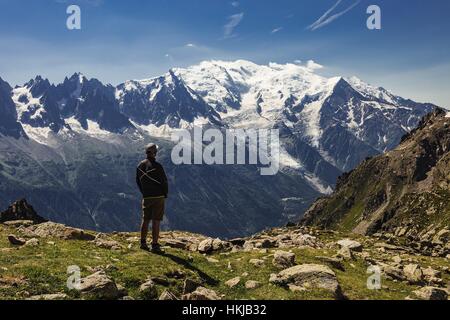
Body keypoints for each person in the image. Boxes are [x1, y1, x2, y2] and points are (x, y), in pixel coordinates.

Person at [136, 143, 168, 252]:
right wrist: (165, 193)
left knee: (145, 219)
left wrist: (144, 193)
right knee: (156, 221)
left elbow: (138, 182)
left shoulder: (140, 166)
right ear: (155, 153)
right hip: (158, 196)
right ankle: (155, 245)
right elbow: (164, 181)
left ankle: (143, 243)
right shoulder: (157, 166)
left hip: (147, 196)